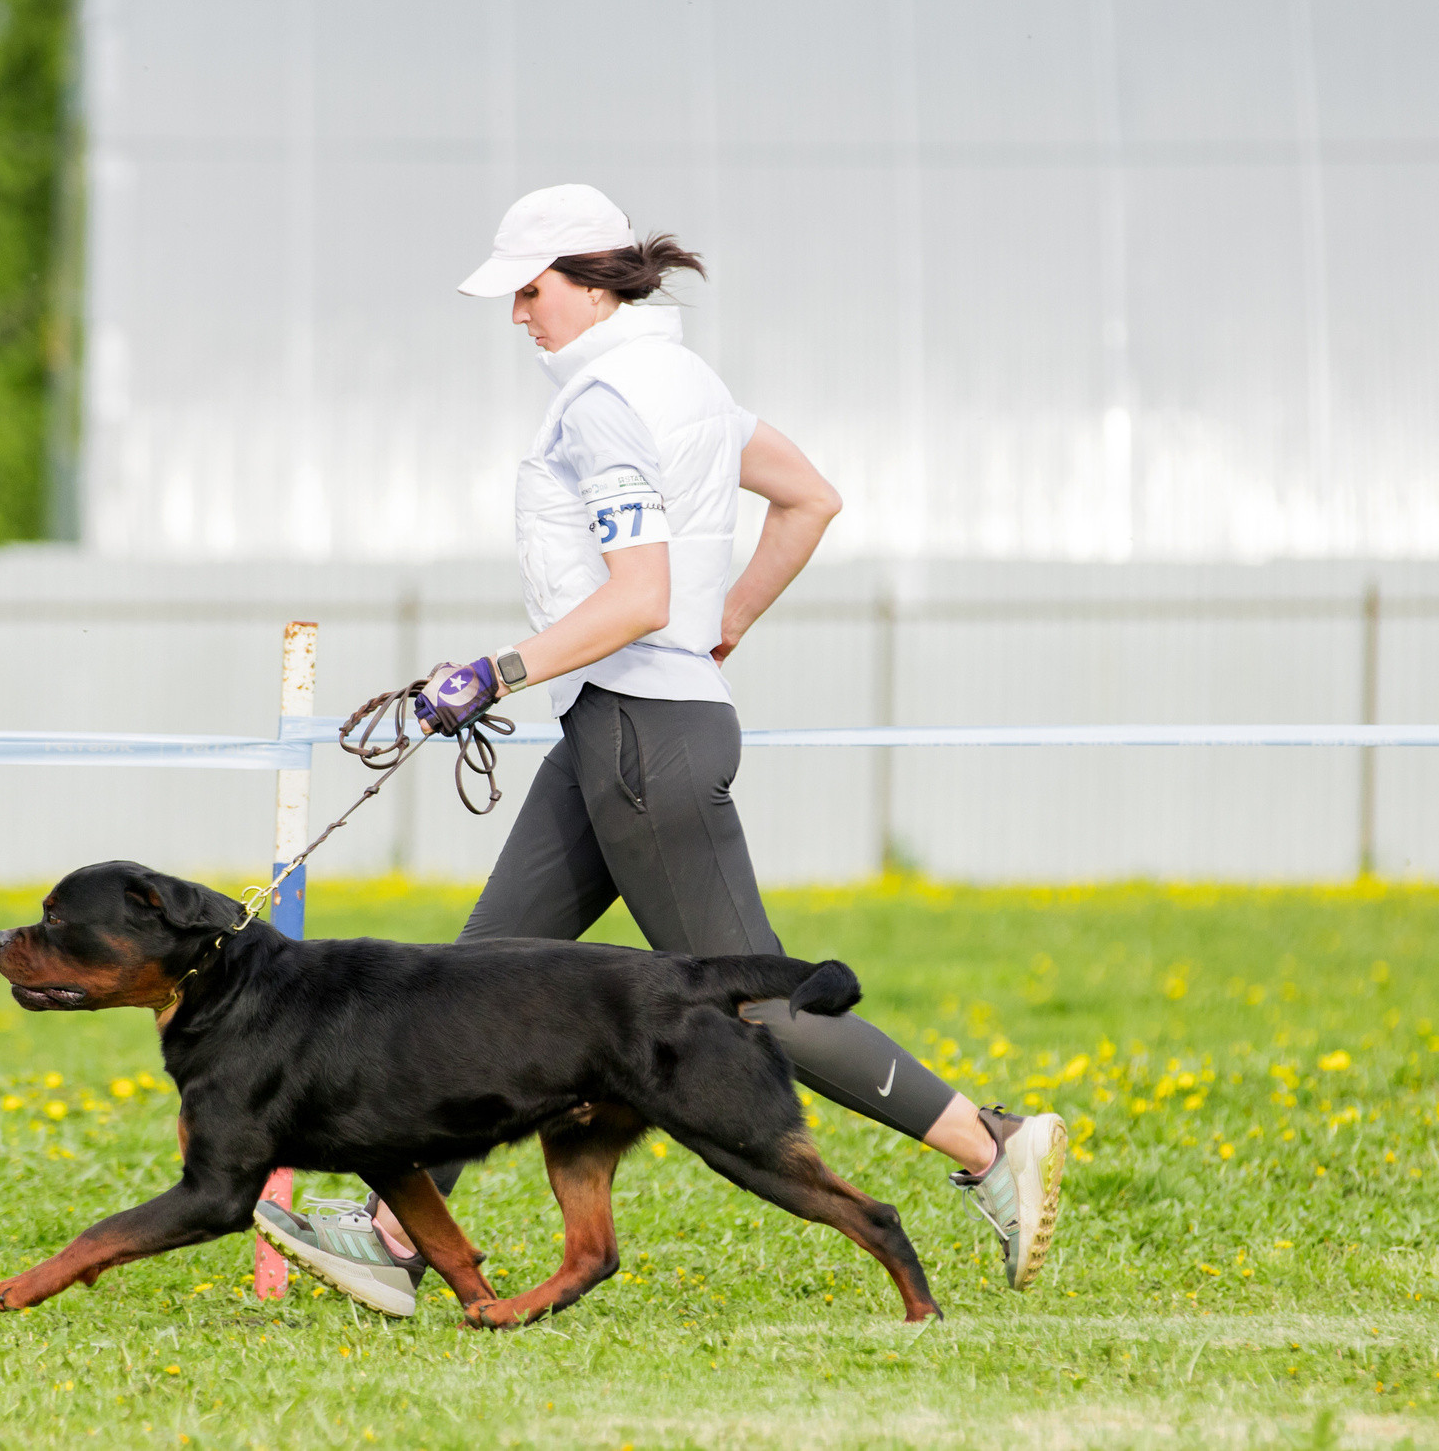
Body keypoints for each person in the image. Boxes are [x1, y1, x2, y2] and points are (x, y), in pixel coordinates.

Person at [252, 184, 1068, 1318]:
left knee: (753, 1001)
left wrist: (492, 672)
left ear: (586, 282)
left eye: (529, 291)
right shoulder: (687, 383)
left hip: (639, 732)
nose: (519, 315)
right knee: (480, 971)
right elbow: (809, 501)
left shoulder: (599, 404)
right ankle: (396, 1233)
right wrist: (723, 622)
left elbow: (636, 597)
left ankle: (988, 1141)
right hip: (623, 722)